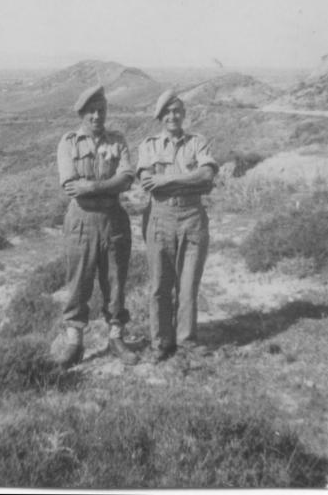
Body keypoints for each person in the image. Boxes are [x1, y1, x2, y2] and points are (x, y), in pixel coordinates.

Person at [54, 84, 138, 368]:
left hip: (113, 219)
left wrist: (93, 185)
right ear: (82, 114)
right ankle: (74, 342)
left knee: (115, 281)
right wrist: (106, 186)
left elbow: (127, 177)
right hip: (81, 221)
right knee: (78, 282)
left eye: (101, 110)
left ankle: (116, 337)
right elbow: (71, 187)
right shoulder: (68, 143)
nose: (96, 116)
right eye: (91, 111)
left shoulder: (117, 141)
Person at [137, 89, 219, 364]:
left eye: (177, 111)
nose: (172, 116)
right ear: (160, 117)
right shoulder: (149, 146)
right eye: (167, 112)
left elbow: (207, 176)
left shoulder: (198, 142)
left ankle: (186, 340)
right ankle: (160, 342)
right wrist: (186, 178)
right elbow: (149, 183)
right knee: (160, 285)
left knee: (188, 284)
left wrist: (167, 180)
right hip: (160, 217)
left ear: (183, 114)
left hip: (193, 217)